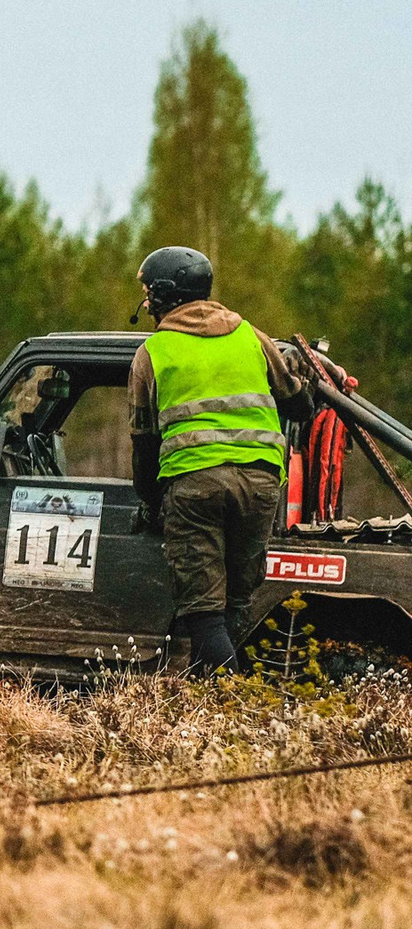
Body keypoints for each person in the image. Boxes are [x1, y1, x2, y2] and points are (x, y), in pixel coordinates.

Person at [128, 246, 311, 673]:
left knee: (204, 611)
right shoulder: (251, 336)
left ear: (162, 296)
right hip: (262, 485)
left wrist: (152, 501)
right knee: (235, 603)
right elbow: (298, 404)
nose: (146, 302)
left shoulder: (152, 354)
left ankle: (230, 704)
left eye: (147, 293)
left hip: (195, 487)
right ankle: (206, 696)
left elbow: (143, 447)